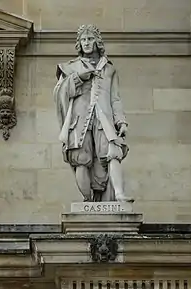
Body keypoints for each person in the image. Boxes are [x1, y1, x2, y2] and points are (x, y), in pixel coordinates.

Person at [53, 24, 132, 202]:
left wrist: (121, 121)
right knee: (81, 158)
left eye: (90, 39)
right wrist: (78, 78)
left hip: (104, 117)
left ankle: (119, 195)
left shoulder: (109, 69)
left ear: (97, 41)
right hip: (79, 119)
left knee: (113, 152)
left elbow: (115, 98)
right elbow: (59, 93)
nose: (86, 43)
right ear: (79, 44)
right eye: (83, 40)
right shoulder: (70, 67)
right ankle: (87, 201)